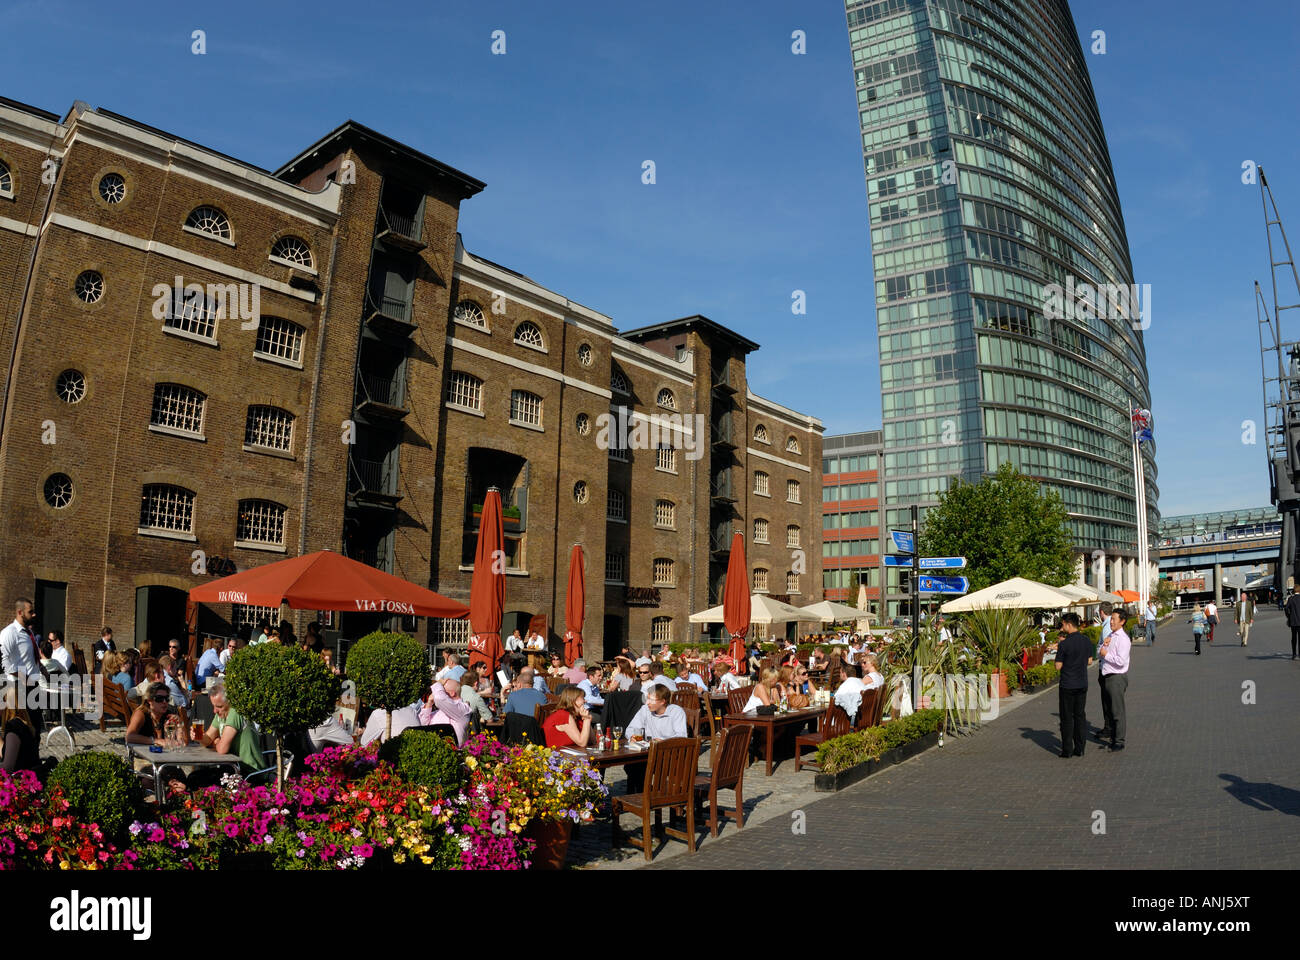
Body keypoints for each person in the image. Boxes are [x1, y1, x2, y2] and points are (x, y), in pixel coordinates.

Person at [201, 682, 265, 773]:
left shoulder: (235, 712)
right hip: (235, 768)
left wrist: (216, 742)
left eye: (219, 706)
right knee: (195, 777)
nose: (215, 711)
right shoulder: (221, 714)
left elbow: (222, 749)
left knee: (196, 779)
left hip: (249, 771)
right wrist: (198, 737)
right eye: (213, 706)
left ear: (230, 702)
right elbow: (208, 738)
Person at [1054, 613, 1094, 758]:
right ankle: (1080, 747)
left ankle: (1067, 750)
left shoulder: (1064, 644)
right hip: (1082, 682)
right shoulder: (1086, 640)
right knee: (1079, 715)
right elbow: (1090, 661)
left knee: (1066, 718)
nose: (1062, 627)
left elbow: (1058, 666)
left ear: (1068, 624)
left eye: (1063, 624)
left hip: (1067, 684)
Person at [1097, 609, 1131, 752]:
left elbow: (1121, 661)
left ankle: (1119, 741)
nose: (1111, 622)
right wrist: (1103, 647)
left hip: (1116, 677)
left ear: (1122, 621)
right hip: (1107, 676)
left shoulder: (1123, 639)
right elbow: (1099, 652)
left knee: (1117, 711)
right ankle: (1113, 737)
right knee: (1110, 710)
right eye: (1111, 619)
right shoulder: (1111, 635)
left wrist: (1106, 654)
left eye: (1114, 619)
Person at [126, 682, 189, 749]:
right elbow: (129, 737)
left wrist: (180, 725)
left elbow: (183, 743)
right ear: (149, 700)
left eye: (167, 698)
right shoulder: (141, 714)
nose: (164, 702)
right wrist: (156, 741)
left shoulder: (170, 714)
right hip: (142, 756)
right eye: (159, 699)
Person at [424, 672, 473, 746]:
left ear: (452, 693)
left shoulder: (463, 709)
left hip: (452, 752)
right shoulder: (437, 712)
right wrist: (429, 704)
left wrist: (438, 683)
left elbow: (439, 698)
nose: (438, 691)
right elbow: (422, 725)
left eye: (442, 690)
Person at [0, 598, 40, 684]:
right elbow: (3, 660)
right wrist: (23, 677)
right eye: (30, 612)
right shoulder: (9, 633)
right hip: (17, 685)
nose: (34, 614)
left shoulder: (29, 632)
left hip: (32, 684)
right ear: (20, 612)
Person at [1287, 590, 1300, 660]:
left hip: (1293, 621)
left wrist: (1289, 616)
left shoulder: (1291, 599)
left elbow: (1286, 608)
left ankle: (1294, 654)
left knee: (1294, 638)